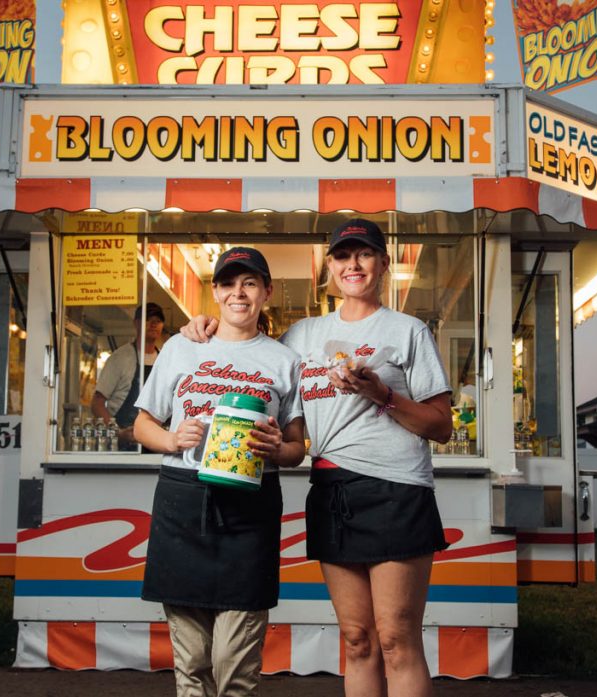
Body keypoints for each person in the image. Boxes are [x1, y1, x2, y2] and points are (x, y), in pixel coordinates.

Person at [181, 219, 453, 697]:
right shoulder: (301, 335)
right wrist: (200, 326)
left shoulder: (409, 331)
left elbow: (441, 426)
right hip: (329, 489)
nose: (353, 264)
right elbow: (246, 346)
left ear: (383, 264)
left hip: (396, 488)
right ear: (329, 266)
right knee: (356, 639)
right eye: (343, 256)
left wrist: (382, 394)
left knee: (395, 641)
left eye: (364, 254)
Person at [133, 247, 307, 697]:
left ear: (266, 292)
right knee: (190, 662)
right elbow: (142, 423)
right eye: (229, 284)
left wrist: (278, 449)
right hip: (183, 502)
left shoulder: (284, 360)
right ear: (215, 292)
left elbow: (296, 450)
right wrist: (172, 439)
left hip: (250, 506)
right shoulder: (181, 346)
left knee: (235, 665)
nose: (239, 293)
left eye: (249, 283)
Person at [92, 301, 166, 448]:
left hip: (155, 443)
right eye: (148, 319)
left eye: (158, 321)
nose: (153, 324)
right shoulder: (121, 357)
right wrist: (118, 433)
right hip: (122, 446)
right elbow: (97, 403)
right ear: (136, 323)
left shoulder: (165, 361)